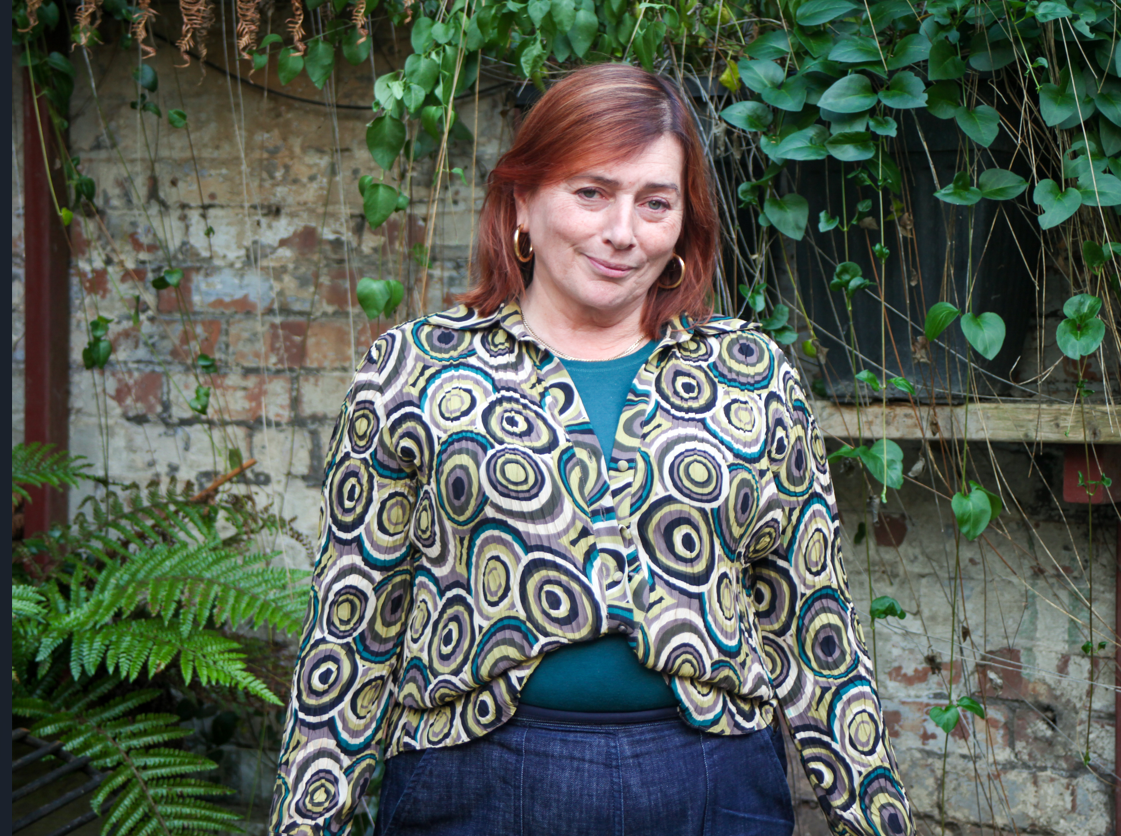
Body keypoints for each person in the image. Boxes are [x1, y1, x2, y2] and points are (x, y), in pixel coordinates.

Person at [269, 63, 914, 836]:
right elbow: (352, 622)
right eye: (591, 192)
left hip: (711, 785)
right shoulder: (416, 370)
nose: (622, 232)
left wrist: (872, 815)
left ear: (683, 224)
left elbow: (814, 621)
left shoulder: (749, 375)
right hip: (473, 784)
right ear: (521, 202)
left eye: (654, 203)